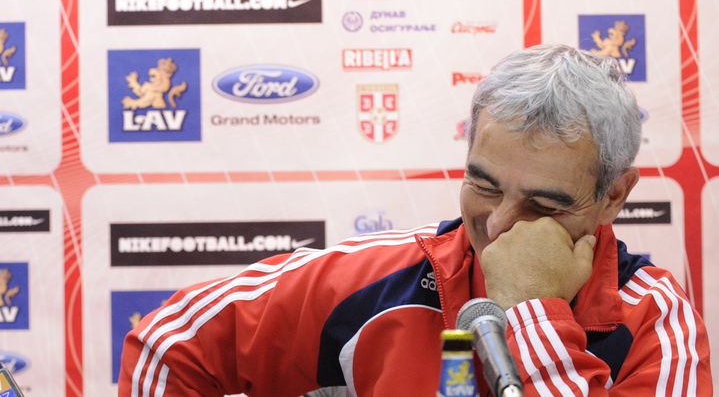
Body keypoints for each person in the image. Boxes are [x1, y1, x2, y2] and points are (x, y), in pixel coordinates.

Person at [119, 44, 713, 396]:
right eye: (482, 184)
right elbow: (166, 342)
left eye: (544, 205)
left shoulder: (659, 323)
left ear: (613, 196)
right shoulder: (378, 280)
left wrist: (533, 312)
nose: (500, 225)